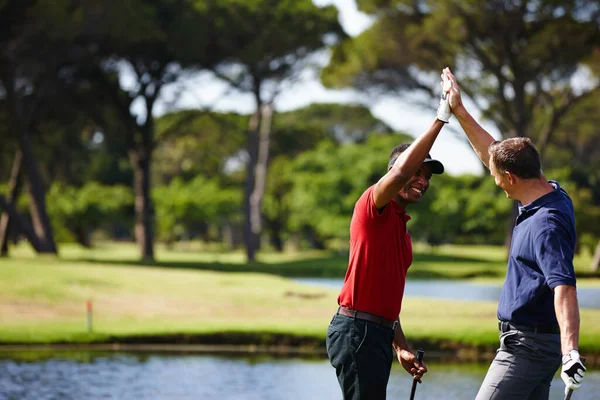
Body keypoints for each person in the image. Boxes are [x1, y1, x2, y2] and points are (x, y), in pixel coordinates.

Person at [442, 67, 586, 400]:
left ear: (510, 178)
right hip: (532, 343)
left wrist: (571, 352)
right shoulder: (549, 191)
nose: (494, 182)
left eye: (496, 177)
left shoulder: (545, 223)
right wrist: (459, 112)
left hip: (528, 347)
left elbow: (564, 287)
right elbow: (491, 153)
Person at [325, 89, 452, 399]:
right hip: (356, 331)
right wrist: (442, 118)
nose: (422, 182)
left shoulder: (402, 230)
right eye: (417, 173)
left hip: (378, 333)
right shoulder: (373, 206)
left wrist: (401, 346)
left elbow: (385, 300)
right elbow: (401, 171)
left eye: (427, 178)